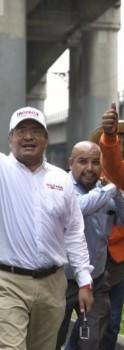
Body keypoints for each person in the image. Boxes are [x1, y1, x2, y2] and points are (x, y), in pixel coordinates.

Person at [0, 65, 93, 350]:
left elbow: (74, 232)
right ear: (10, 138)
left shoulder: (61, 180)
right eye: (21, 131)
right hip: (9, 281)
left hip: (53, 284)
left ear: (46, 139)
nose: (28, 136)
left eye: (35, 131)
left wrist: (85, 280)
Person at [55, 141, 124, 350]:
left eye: (96, 162)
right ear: (71, 163)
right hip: (61, 281)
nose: (90, 168)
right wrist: (115, 186)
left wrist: (119, 191)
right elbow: (79, 208)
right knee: (52, 339)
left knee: (91, 340)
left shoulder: (107, 190)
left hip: (96, 281)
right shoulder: (60, 186)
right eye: (83, 161)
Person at [95, 105, 124, 349]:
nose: (121, 144)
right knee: (90, 319)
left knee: (113, 321)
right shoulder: (90, 178)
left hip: (119, 261)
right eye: (117, 139)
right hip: (92, 260)